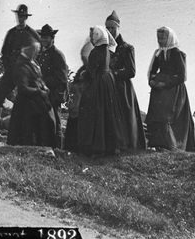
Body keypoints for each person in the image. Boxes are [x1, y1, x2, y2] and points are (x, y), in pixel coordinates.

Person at [0, 4, 41, 134]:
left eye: (23, 16)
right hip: (11, 73)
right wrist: (9, 68)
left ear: (26, 17)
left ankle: (34, 132)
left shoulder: (31, 34)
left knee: (31, 101)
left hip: (26, 75)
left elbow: (38, 53)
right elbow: (4, 53)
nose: (20, 19)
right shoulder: (11, 33)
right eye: (19, 16)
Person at [73, 25, 128, 155]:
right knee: (108, 111)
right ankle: (111, 144)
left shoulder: (95, 52)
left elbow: (91, 71)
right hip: (107, 81)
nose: (92, 38)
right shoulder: (108, 50)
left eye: (94, 36)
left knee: (94, 112)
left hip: (97, 83)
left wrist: (83, 75)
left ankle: (96, 145)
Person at [145, 26, 195, 151]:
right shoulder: (159, 53)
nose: (160, 40)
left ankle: (173, 145)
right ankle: (159, 144)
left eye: (163, 38)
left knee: (168, 117)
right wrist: (152, 80)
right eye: (158, 38)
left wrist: (165, 84)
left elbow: (182, 76)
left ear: (169, 38)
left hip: (173, 90)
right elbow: (153, 69)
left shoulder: (178, 54)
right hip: (159, 90)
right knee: (156, 115)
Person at [105, 10, 146, 149]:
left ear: (118, 28)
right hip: (109, 87)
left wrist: (113, 74)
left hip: (123, 89)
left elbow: (131, 71)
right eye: (108, 28)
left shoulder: (127, 48)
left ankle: (129, 145)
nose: (110, 31)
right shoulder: (106, 47)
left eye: (113, 28)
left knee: (125, 117)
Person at [6, 40, 59, 147]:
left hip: (37, 101)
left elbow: (37, 78)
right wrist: (39, 91)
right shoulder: (21, 66)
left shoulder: (32, 62)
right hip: (27, 104)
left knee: (48, 122)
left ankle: (47, 146)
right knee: (29, 131)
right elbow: (23, 88)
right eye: (35, 50)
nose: (37, 53)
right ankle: (35, 149)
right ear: (29, 50)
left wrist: (43, 86)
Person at [35, 24, 69, 145]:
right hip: (43, 95)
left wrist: (43, 82)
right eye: (42, 37)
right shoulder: (40, 54)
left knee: (56, 123)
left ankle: (58, 149)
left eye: (47, 37)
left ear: (52, 38)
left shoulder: (57, 55)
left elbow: (61, 78)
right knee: (44, 122)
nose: (44, 39)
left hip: (53, 95)